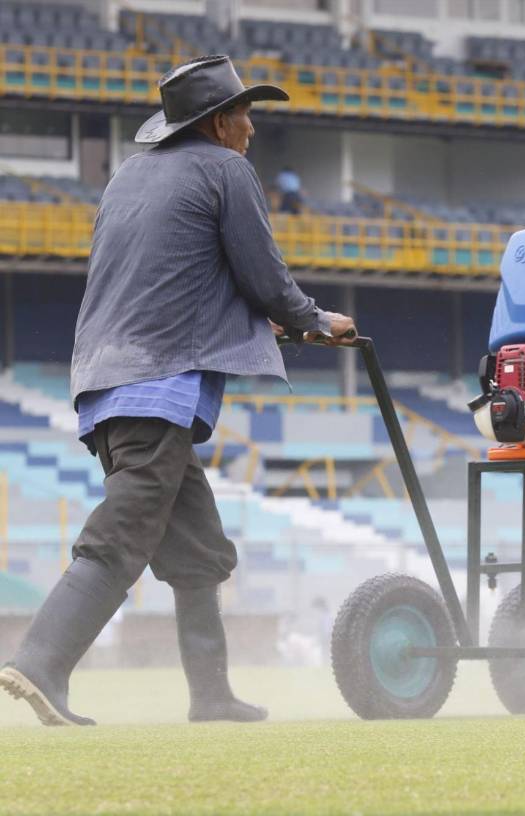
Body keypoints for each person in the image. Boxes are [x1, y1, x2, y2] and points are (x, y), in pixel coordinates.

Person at [0, 55, 355, 727]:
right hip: (155, 390)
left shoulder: (128, 178)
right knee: (124, 532)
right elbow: (262, 273)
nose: (252, 127)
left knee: (198, 551)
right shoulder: (225, 170)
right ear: (220, 123)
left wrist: (276, 320)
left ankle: (211, 696)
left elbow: (172, 280)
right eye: (246, 114)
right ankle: (41, 661)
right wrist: (312, 318)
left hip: (106, 386)